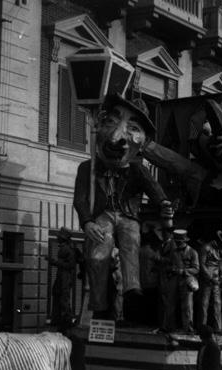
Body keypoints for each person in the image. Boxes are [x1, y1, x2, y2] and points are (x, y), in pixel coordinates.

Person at [73, 94, 173, 320]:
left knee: (131, 243)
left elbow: (154, 189)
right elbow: (80, 199)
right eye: (110, 122)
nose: (119, 136)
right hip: (103, 215)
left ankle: (132, 289)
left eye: (133, 129)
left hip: (128, 215)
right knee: (99, 249)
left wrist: (164, 202)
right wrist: (87, 222)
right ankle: (98, 300)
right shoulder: (87, 168)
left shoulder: (138, 169)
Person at [162, 229, 199, 333]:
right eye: (176, 241)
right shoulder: (171, 252)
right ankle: (169, 327)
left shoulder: (192, 252)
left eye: (180, 242)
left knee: (187, 306)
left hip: (186, 280)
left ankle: (188, 328)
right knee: (170, 304)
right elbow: (167, 263)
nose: (178, 243)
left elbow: (196, 269)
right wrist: (169, 269)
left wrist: (183, 271)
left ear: (184, 241)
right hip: (173, 279)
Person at [44, 227, 77, 332]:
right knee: (57, 295)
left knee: (64, 299)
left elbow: (70, 265)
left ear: (63, 238)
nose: (57, 238)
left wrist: (53, 261)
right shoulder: (63, 248)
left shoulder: (69, 249)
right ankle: (57, 319)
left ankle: (66, 322)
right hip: (61, 276)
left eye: (59, 236)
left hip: (65, 277)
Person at [199, 234, 222, 333]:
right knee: (204, 303)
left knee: (217, 303)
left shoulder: (219, 249)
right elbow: (202, 264)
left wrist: (221, 273)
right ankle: (202, 327)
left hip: (216, 278)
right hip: (207, 279)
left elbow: (220, 264)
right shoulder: (206, 248)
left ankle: (218, 328)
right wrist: (209, 277)